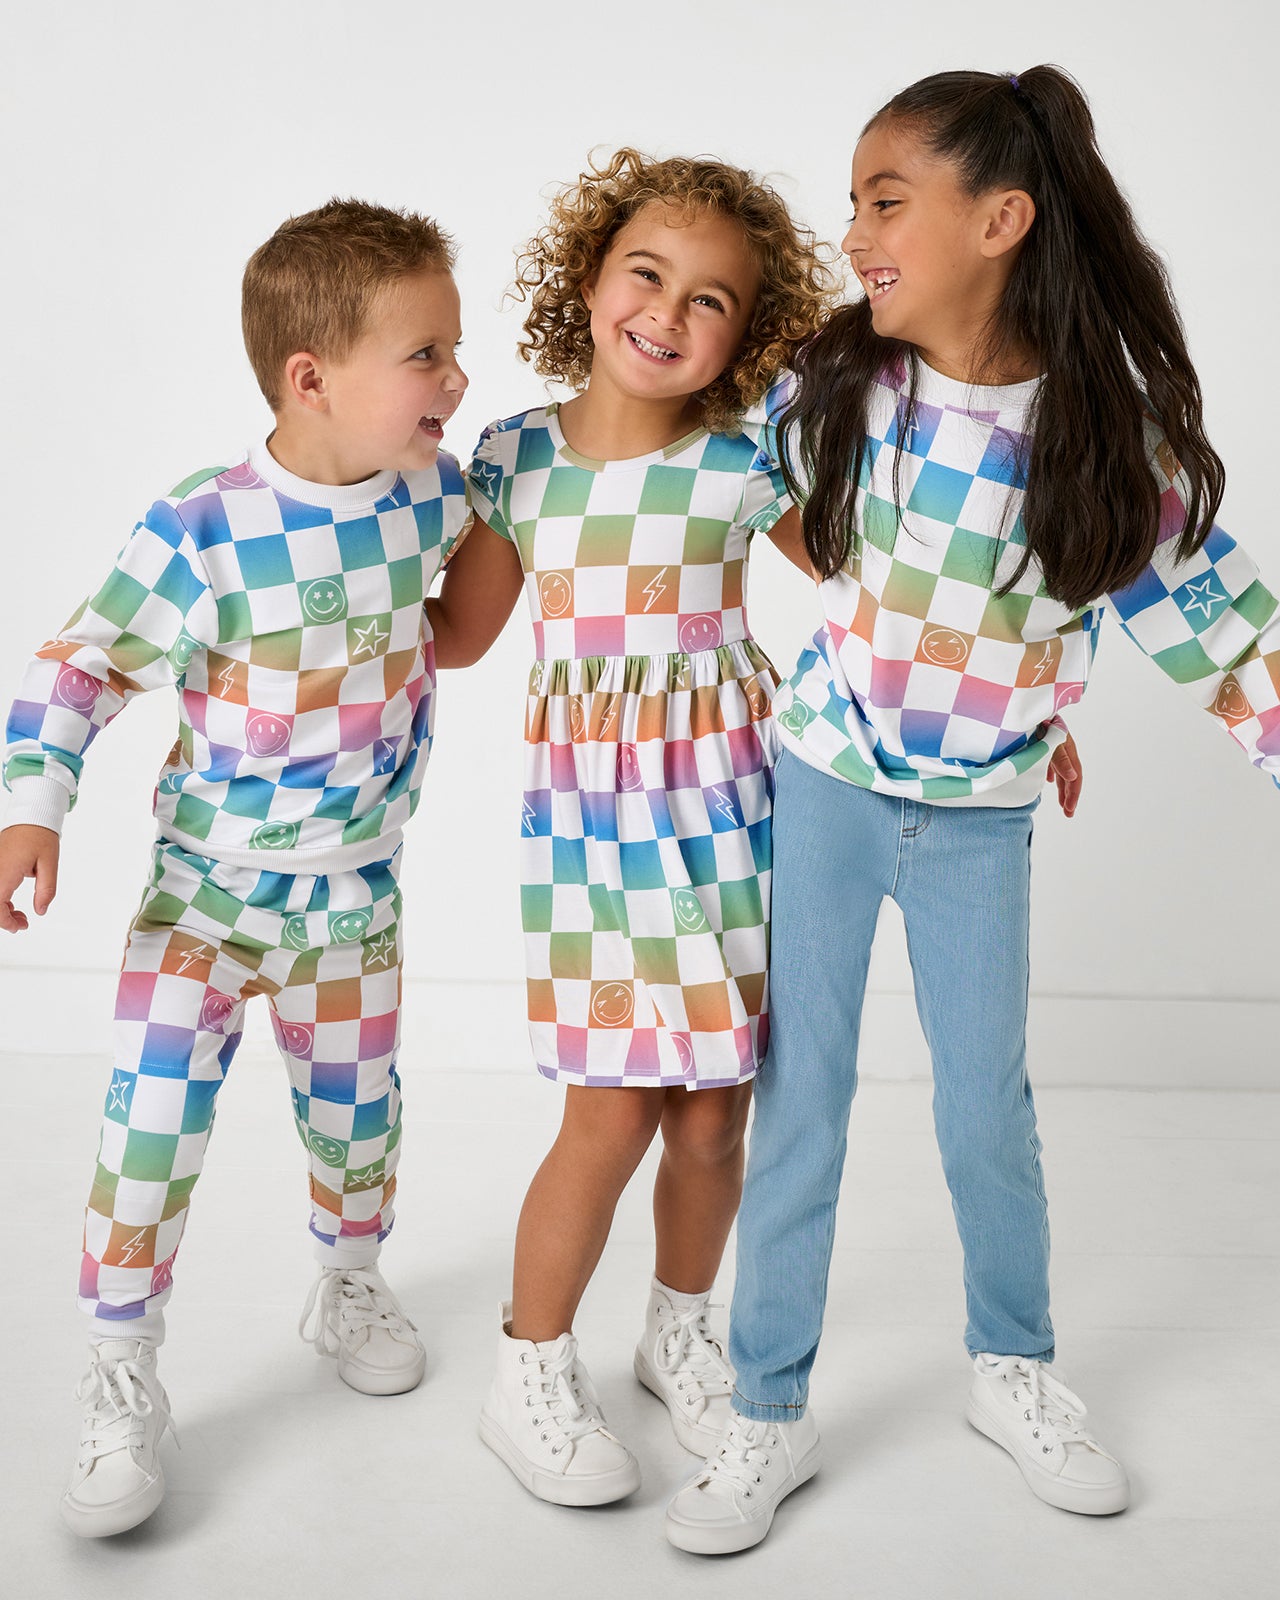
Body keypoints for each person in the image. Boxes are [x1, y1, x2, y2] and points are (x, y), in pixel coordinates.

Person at [664, 66, 1280, 1555]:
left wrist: (1022, 703)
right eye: (857, 200)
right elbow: (744, 507)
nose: (858, 231)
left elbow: (1224, 634)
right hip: (819, 787)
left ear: (999, 220)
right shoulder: (843, 389)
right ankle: (765, 1407)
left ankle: (1012, 1369)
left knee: (980, 1113)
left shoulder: (1099, 437)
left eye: (888, 201)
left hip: (981, 828)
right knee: (798, 1102)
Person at [0, 198, 470, 1537]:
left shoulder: (435, 493)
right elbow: (79, 663)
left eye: (457, 346)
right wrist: (33, 806)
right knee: (149, 1128)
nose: (458, 378)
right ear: (309, 377)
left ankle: (350, 1279)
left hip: (355, 896)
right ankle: (119, 1366)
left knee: (358, 1112)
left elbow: (475, 593)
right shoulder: (203, 525)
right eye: (426, 354)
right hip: (202, 897)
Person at [427, 148, 836, 1505]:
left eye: (713, 300)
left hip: (728, 808)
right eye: (648, 274)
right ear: (591, 278)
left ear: (747, 334)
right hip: (594, 831)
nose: (669, 312)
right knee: (609, 1115)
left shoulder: (746, 458)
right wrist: (337, 559)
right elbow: (463, 639)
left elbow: (866, 580)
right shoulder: (513, 459)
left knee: (714, 1116)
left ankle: (680, 1332)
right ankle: (528, 1365)